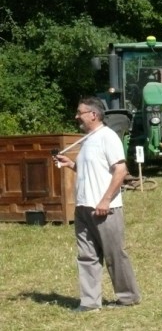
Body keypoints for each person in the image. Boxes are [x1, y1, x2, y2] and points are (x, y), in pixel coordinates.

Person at [53, 97, 141, 313]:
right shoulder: (87, 139)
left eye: (79, 112)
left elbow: (120, 171)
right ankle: (90, 302)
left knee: (114, 255)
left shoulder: (108, 137)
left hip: (105, 208)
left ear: (93, 114)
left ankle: (128, 297)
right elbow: (93, 171)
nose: (76, 116)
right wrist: (72, 164)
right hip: (83, 207)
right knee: (87, 256)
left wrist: (105, 200)